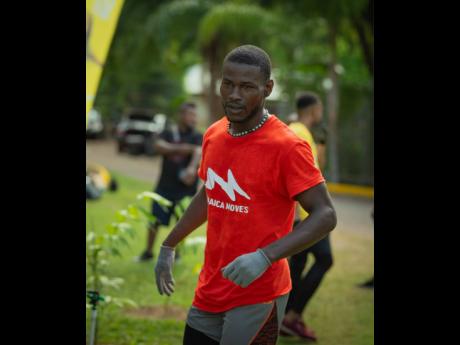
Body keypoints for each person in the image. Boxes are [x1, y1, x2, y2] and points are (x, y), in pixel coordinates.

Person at [154, 45, 337, 345]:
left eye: (247, 86)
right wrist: (169, 244)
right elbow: (210, 193)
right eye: (228, 84)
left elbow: (326, 214)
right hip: (211, 287)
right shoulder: (214, 133)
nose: (234, 94)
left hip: (259, 292)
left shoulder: (287, 146)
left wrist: (266, 257)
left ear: (267, 88)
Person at [280, 92, 334, 341]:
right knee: (324, 258)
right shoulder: (299, 132)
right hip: (304, 215)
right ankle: (292, 316)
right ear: (314, 109)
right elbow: (300, 177)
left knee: (299, 264)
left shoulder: (301, 131)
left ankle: (287, 317)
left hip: (300, 214)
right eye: (320, 109)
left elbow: (315, 170)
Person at [137, 102, 203, 262]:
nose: (193, 118)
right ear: (181, 115)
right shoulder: (167, 132)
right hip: (164, 186)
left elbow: (199, 151)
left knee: (182, 223)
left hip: (186, 189)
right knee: (154, 221)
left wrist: (190, 167)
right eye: (190, 114)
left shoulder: (198, 136)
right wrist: (186, 148)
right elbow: (159, 146)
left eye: (195, 115)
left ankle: (176, 255)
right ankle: (148, 252)